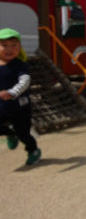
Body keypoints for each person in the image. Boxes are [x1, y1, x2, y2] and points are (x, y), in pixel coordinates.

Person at [0, 28, 41, 165]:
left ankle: (33, 150)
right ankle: (10, 133)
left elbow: (25, 81)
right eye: (4, 45)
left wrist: (12, 92)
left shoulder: (20, 65)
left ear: (19, 48)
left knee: (23, 133)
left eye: (14, 45)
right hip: (2, 107)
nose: (9, 49)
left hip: (20, 107)